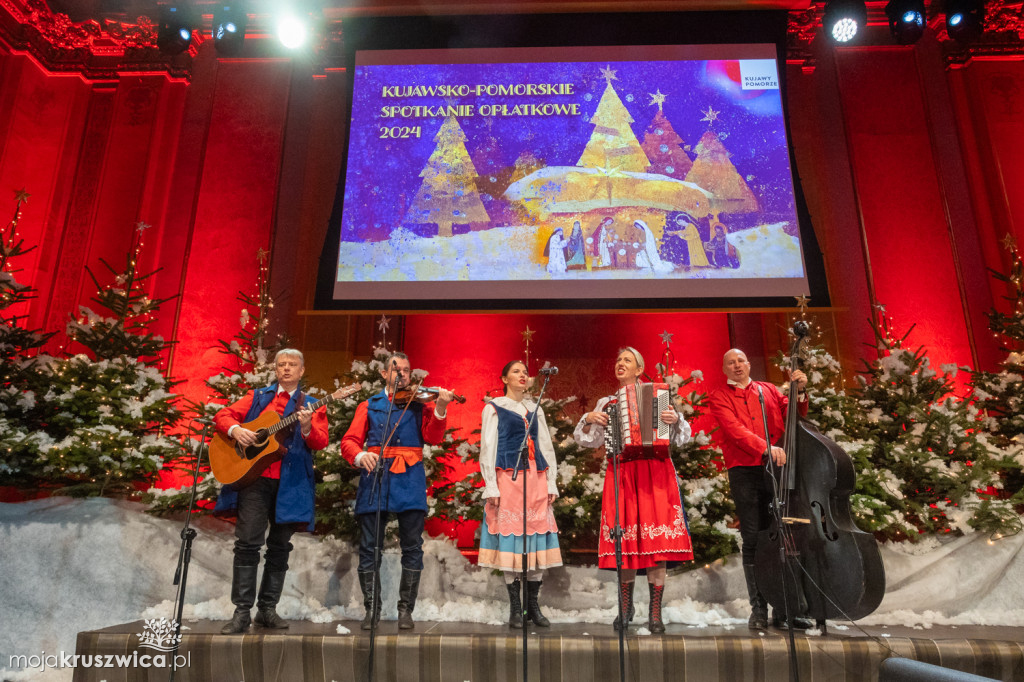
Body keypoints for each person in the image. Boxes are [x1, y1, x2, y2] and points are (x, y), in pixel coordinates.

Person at [573, 347, 693, 634]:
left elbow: (682, 437)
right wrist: (588, 419)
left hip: (656, 472)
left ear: (640, 369)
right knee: (623, 541)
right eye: (617, 360)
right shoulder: (607, 402)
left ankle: (655, 613)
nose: (620, 364)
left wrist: (675, 422)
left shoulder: (659, 396)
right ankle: (626, 607)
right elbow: (587, 441)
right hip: (622, 473)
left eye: (627, 360)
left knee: (657, 544)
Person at [213, 349, 330, 634]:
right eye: (282, 364)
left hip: (291, 484)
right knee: (247, 544)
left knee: (279, 547)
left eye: (293, 365)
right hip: (255, 480)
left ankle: (267, 610)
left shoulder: (312, 405)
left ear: (302, 371)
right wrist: (236, 430)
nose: (287, 368)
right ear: (275, 369)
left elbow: (321, 441)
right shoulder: (258, 397)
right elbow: (223, 415)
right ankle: (241, 612)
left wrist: (305, 427)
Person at [341, 352, 454, 630]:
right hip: (376, 477)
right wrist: (359, 456)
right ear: (384, 374)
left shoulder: (418, 404)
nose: (401, 374)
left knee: (412, 547)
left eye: (406, 370)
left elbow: (434, 437)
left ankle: (406, 610)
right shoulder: (370, 405)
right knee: (370, 548)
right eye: (395, 369)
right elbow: (350, 441)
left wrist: (440, 407)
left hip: (410, 477)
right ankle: (372, 610)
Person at [707, 348, 810, 631]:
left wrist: (799, 392)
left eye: (741, 360)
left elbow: (794, 417)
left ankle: (785, 608)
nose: (737, 365)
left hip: (778, 468)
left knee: (781, 536)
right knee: (753, 537)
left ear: (749, 363)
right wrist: (766, 448)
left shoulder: (769, 390)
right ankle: (759, 609)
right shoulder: (719, 396)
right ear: (725, 369)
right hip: (745, 470)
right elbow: (734, 431)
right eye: (731, 362)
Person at [478, 360, 562, 628]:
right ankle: (516, 607)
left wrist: (551, 482)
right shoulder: (494, 408)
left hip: (536, 477)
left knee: (536, 540)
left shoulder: (534, 408)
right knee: (513, 542)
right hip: (509, 478)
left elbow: (546, 446)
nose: (523, 375)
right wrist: (491, 485)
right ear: (504, 378)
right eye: (516, 371)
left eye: (525, 372)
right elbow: (488, 448)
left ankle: (532, 605)